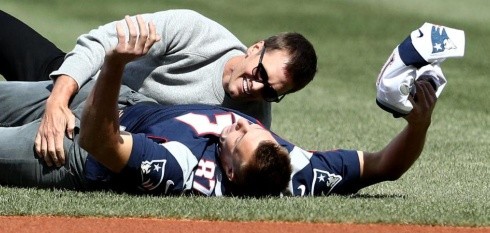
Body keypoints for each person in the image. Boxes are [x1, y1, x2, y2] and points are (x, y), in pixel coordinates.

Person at [0, 15, 439, 198]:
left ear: (227, 169)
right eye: (258, 130)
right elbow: (382, 166)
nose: (246, 122)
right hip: (84, 87)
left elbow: (100, 141)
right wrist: (418, 125)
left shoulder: (180, 164)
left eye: (241, 134)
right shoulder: (294, 168)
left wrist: (116, 66)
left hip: (84, 140)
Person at [0, 10, 318, 168]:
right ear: (255, 48)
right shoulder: (195, 32)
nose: (256, 87)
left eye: (271, 91)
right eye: (260, 72)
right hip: (78, 84)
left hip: (96, 131)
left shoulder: (247, 123)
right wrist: (58, 101)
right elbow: (101, 42)